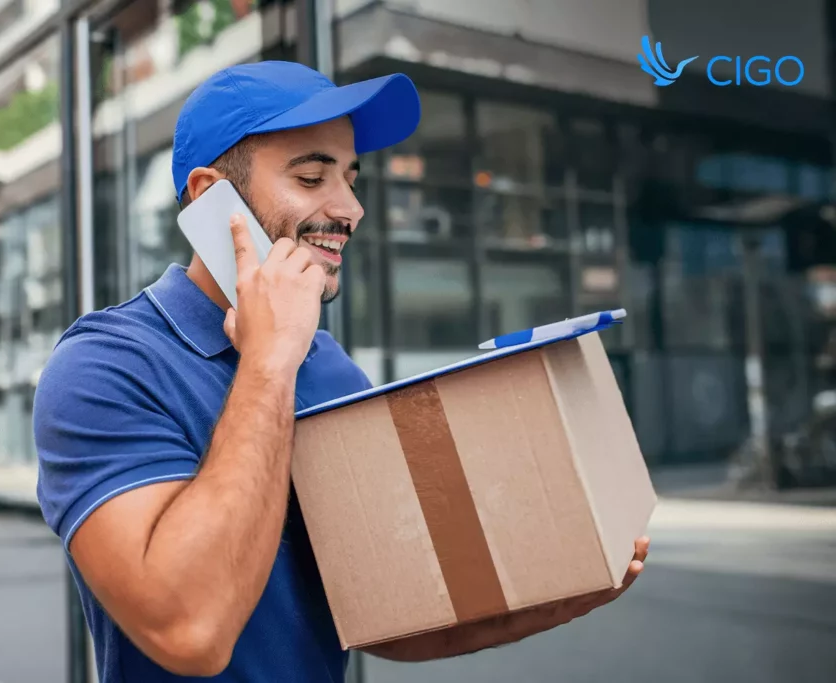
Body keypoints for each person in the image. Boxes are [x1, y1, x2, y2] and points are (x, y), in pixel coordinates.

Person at [33, 60, 651, 682]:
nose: (350, 209)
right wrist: (269, 360)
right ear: (210, 197)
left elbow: (386, 614)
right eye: (310, 176)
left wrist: (564, 594)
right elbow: (190, 630)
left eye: (352, 180)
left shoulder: (327, 366)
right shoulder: (106, 365)